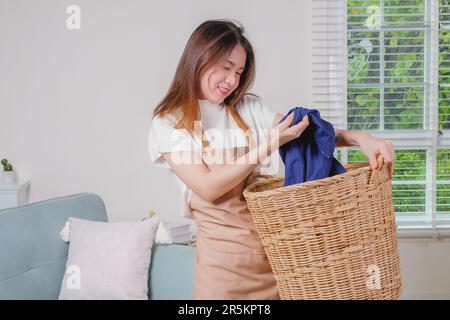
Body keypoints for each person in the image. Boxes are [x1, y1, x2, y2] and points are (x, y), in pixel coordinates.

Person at [148, 19, 395, 300]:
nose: (232, 81)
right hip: (221, 270)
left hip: (276, 261)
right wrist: (268, 144)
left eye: (239, 72)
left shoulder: (247, 108)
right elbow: (207, 187)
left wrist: (358, 137)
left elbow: (300, 131)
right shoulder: (170, 123)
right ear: (199, 57)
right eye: (226, 67)